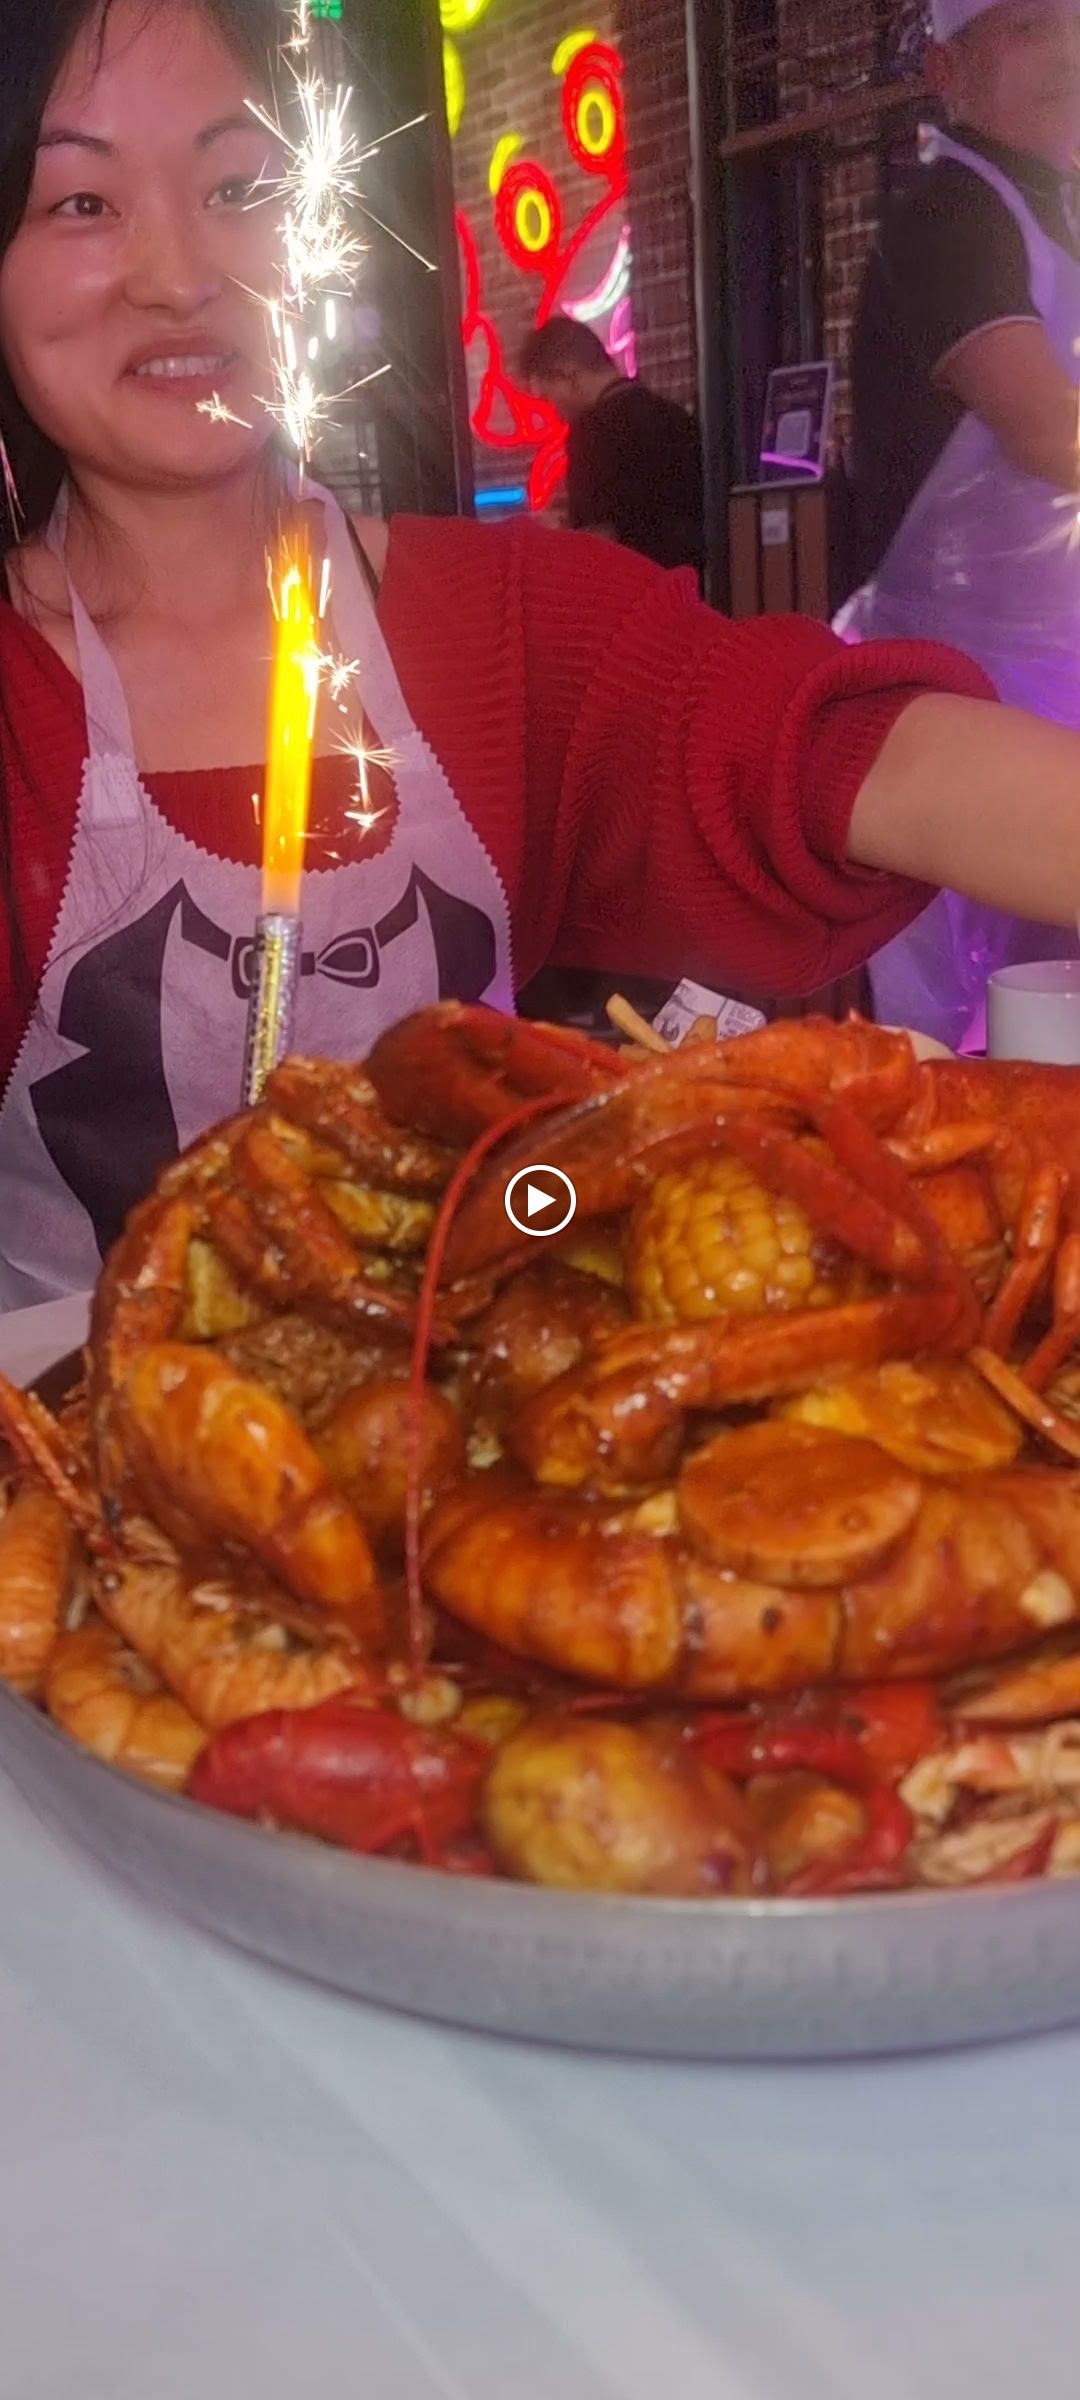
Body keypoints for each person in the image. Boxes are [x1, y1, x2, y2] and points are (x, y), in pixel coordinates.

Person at [3, 5, 1080, 1310]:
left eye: (239, 186)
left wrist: (558, 1203)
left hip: (473, 1354)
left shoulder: (503, 624)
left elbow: (848, 756)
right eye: (81, 203)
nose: (178, 274)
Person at [840, 0, 1080, 1050]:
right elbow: (1045, 428)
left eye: (1070, 24)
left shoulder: (1061, 212)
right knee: (974, 1042)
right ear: (946, 68)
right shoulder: (947, 211)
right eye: (1023, 28)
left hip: (1053, 684)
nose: (1065, 52)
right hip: (964, 693)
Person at [519, 314, 704, 572]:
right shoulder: (676, 417)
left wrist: (559, 537)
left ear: (568, 375)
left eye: (548, 397)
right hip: (689, 585)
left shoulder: (591, 433)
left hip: (635, 587)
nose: (555, 412)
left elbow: (597, 546)